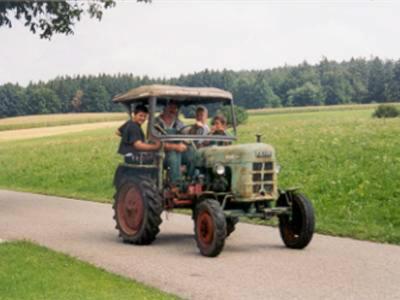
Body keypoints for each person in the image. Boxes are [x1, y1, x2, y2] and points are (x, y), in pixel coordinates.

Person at [154, 101, 195, 188]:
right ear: (165, 108)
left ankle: (191, 182)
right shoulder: (156, 122)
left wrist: (185, 141)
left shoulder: (178, 123)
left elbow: (185, 134)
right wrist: (175, 147)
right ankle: (176, 185)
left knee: (193, 154)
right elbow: (154, 142)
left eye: (175, 108)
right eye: (171, 107)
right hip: (160, 154)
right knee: (173, 156)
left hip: (178, 151)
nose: (173, 110)